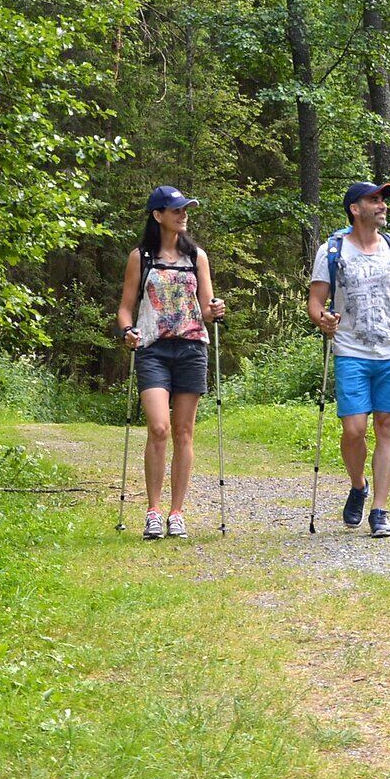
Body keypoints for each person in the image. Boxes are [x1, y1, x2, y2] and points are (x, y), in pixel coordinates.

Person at [307, 181, 390, 538]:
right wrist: (323, 320)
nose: (382, 205)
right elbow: (315, 303)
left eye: (383, 200)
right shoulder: (332, 250)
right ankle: (358, 484)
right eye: (373, 200)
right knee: (354, 429)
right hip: (351, 350)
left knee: (387, 426)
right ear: (355, 208)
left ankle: (379, 509)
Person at [117, 185, 225, 540]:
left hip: (191, 349)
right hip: (152, 349)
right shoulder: (141, 257)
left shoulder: (197, 257)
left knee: (183, 432)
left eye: (185, 209)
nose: (184, 215)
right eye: (177, 210)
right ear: (158, 215)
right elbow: (125, 309)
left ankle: (176, 513)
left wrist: (215, 309)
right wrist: (127, 331)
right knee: (159, 427)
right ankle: (153, 510)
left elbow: (207, 309)